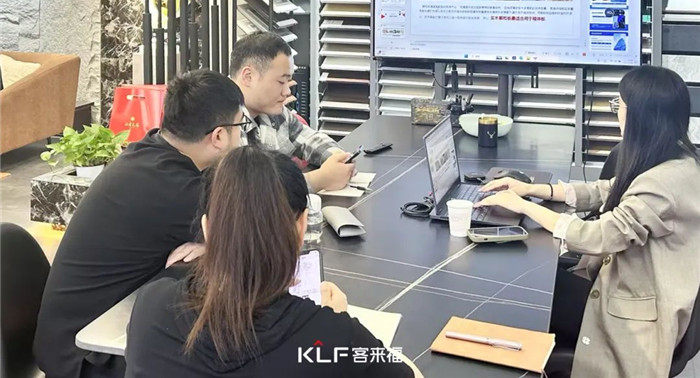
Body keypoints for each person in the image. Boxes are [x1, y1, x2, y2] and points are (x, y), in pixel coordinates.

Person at [475, 66, 700, 377]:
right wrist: (534, 189)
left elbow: (597, 237)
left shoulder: (664, 184)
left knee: (519, 292)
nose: (616, 112)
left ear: (640, 116)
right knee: (531, 280)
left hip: (631, 318)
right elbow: (605, 189)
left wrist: (523, 206)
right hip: (627, 289)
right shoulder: (675, 159)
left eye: (619, 105)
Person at [125, 147, 420, 378]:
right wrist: (341, 326)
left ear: (207, 229)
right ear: (301, 226)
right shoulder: (331, 339)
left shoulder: (151, 307)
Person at [34, 70, 246, 378]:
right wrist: (217, 243)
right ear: (218, 136)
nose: (242, 137)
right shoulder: (176, 189)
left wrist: (210, 241)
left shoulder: (151, 153)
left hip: (74, 338)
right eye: (241, 126)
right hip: (87, 358)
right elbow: (254, 236)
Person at [230, 32, 354, 192]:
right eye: (281, 81)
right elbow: (250, 191)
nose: (287, 91)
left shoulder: (273, 111)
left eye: (288, 81)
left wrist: (339, 158)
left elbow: (309, 138)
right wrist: (319, 179)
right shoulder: (225, 120)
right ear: (248, 77)